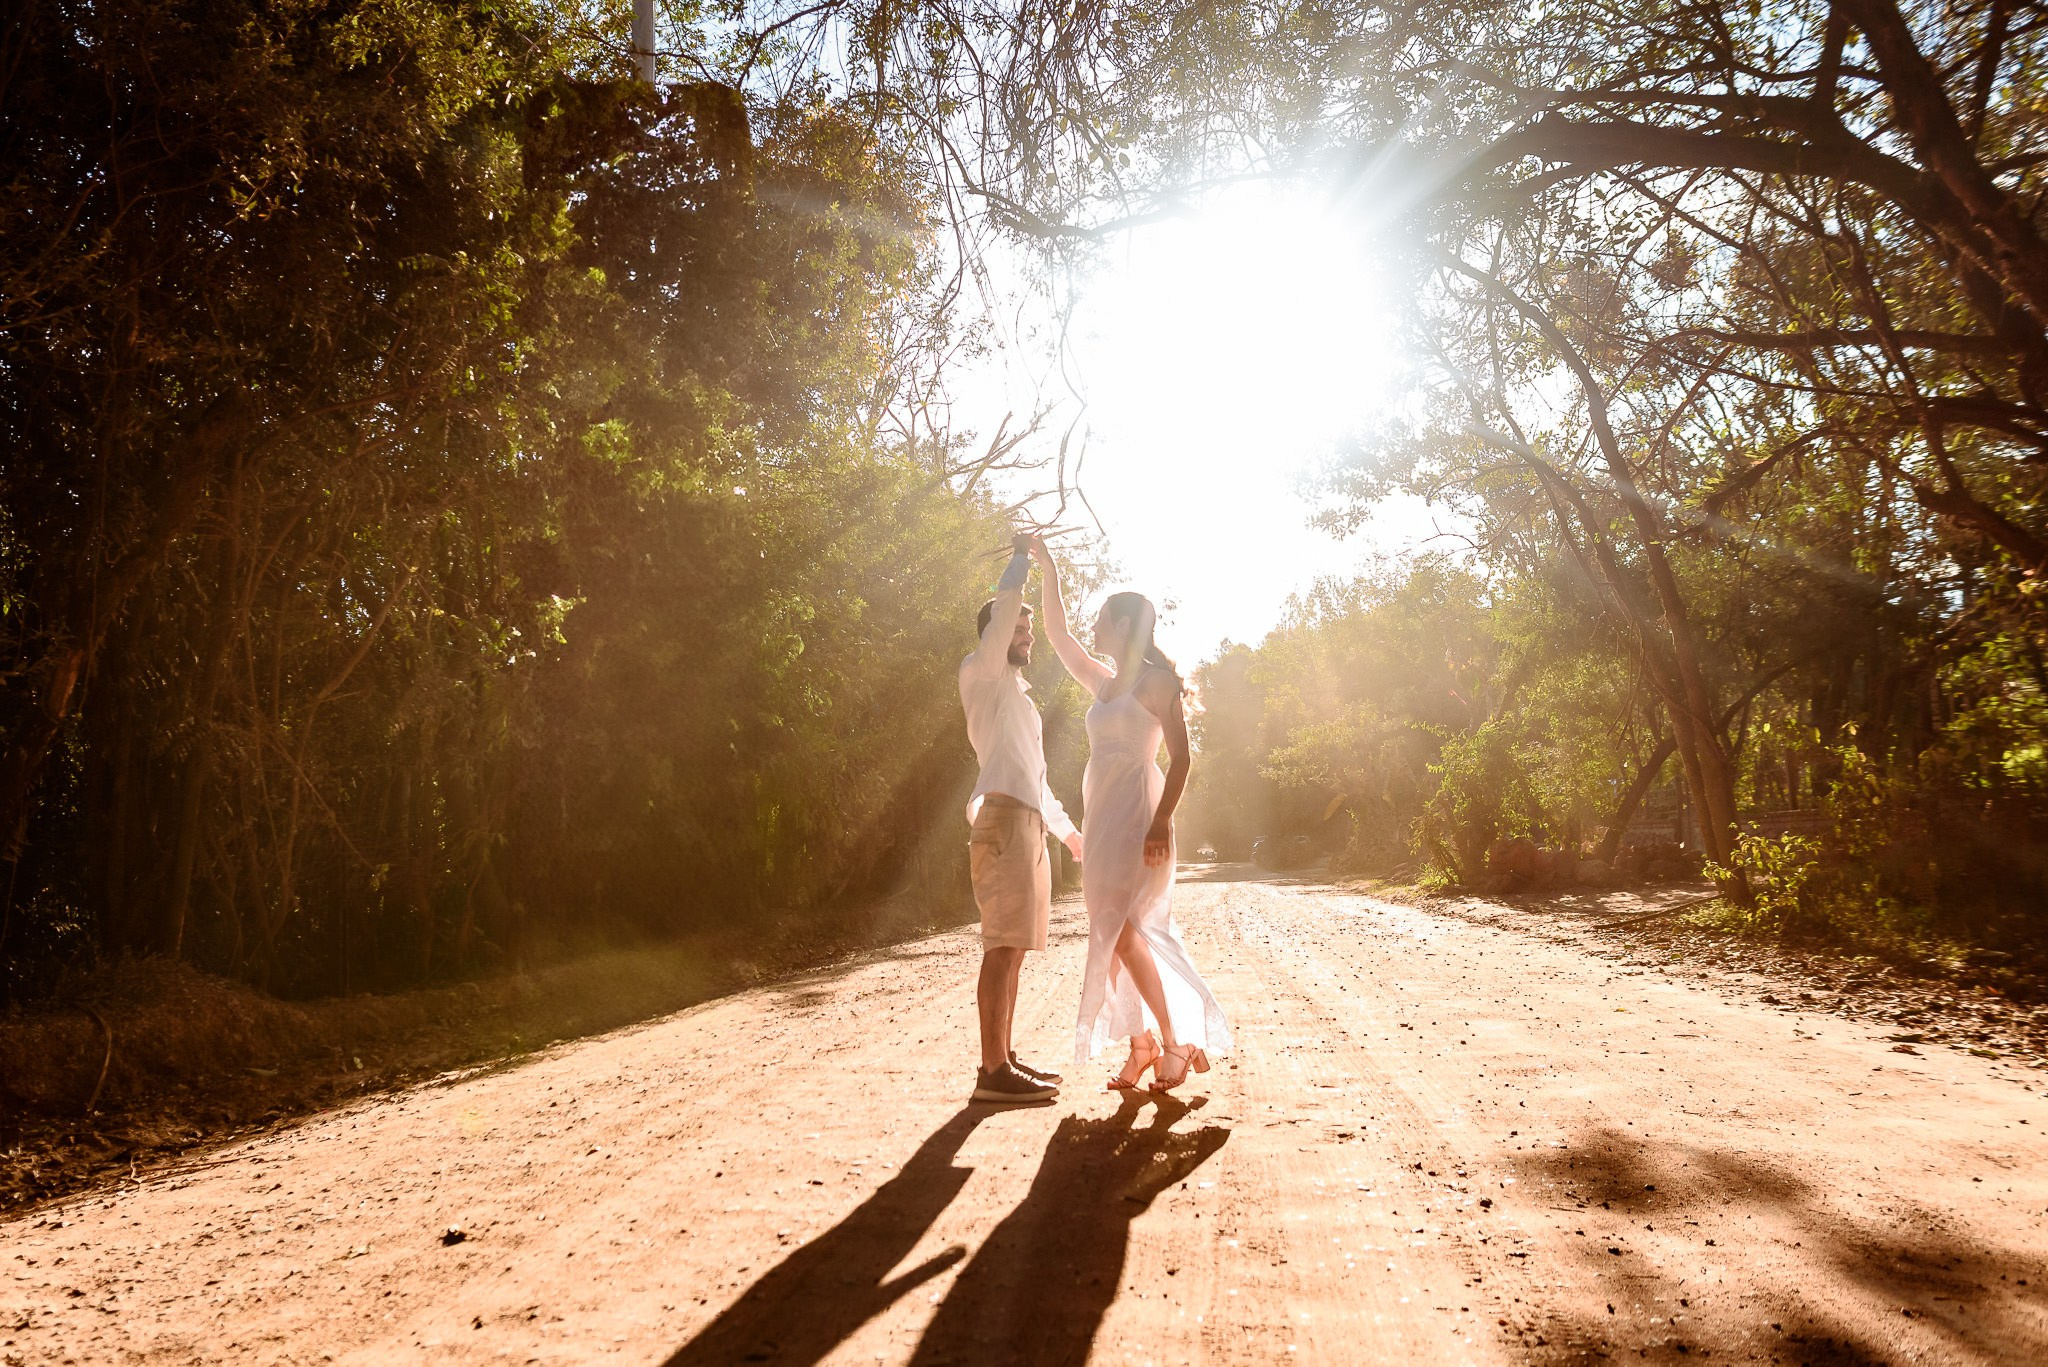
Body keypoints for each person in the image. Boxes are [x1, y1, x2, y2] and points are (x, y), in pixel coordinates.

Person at [1027, 534, 1230, 1093]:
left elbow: (1184, 758)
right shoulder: (1102, 680)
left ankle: (1173, 1043)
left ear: (1122, 627)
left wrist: (1162, 820)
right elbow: (1056, 635)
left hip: (1141, 814)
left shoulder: (1157, 683)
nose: (1093, 629)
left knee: (1126, 931)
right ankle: (1142, 1046)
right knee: (1111, 929)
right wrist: (1050, 571)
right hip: (1102, 818)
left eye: (1101, 620)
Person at [959, 533, 1085, 1105]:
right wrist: (1019, 558)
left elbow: (1037, 777)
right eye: (1018, 630)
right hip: (1003, 823)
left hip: (1029, 824)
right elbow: (1005, 603)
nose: (1026, 637)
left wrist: (1070, 835)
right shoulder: (980, 675)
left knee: (1015, 950)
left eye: (1029, 632)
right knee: (1001, 946)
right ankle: (992, 1072)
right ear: (994, 634)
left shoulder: (1024, 701)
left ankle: (1003, 1056)